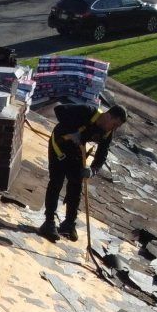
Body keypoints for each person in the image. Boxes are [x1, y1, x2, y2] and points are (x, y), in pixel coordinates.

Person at [42, 103, 126, 242]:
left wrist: (92, 170)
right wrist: (73, 130)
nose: (114, 129)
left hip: (76, 150)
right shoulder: (88, 111)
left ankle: (69, 223)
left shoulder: (107, 132)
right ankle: (49, 222)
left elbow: (101, 155)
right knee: (56, 181)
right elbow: (59, 109)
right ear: (108, 116)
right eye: (114, 124)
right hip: (60, 145)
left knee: (76, 184)